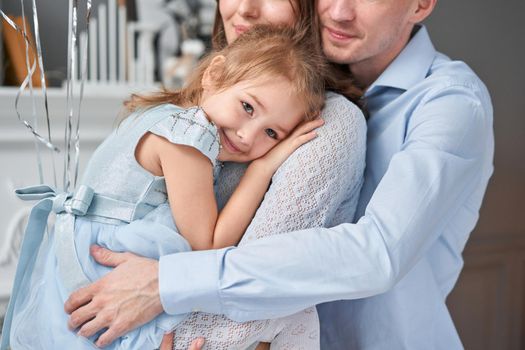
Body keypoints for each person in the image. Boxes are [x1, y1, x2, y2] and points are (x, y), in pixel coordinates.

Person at [62, 0, 494, 348]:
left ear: (420, 5)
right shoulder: (259, 106)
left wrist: (168, 283)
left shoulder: (449, 102)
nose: (340, 11)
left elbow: (377, 253)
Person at [0, 24, 342, 350]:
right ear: (214, 74)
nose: (247, 135)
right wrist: (264, 167)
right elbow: (208, 245)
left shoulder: (161, 115)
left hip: (76, 268)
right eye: (248, 107)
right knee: (297, 315)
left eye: (272, 134)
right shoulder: (187, 140)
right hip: (102, 272)